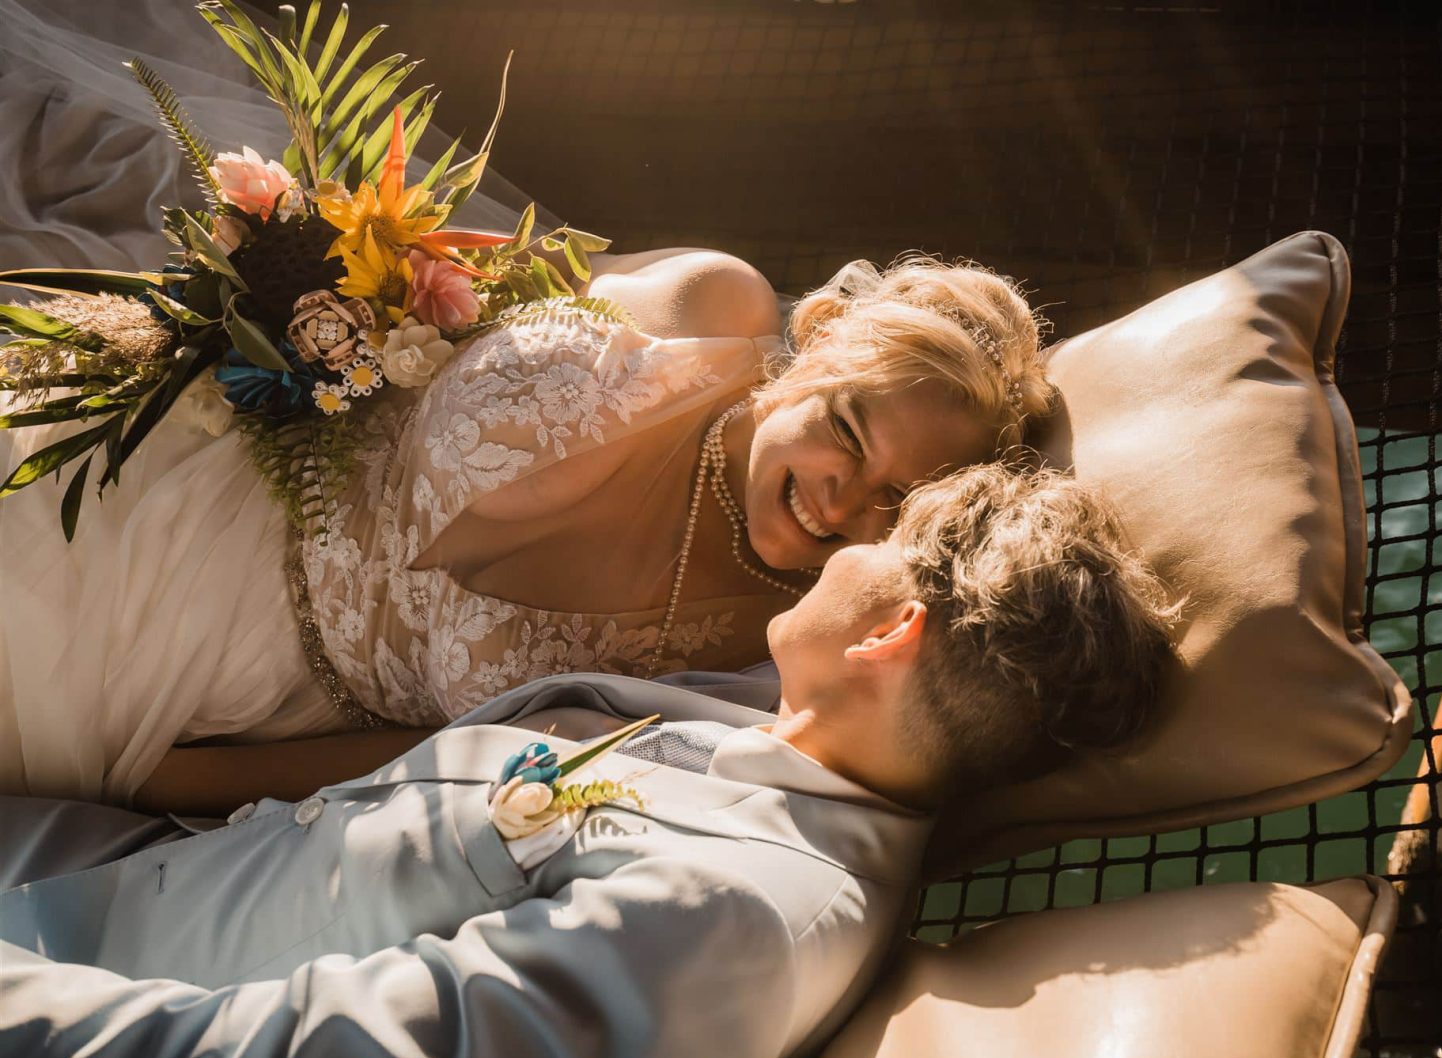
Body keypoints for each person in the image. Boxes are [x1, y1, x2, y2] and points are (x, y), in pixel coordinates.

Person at [0, 463, 1179, 1058]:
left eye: (887, 540)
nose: (849, 542)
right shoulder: (760, 718)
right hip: (90, 866)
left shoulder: (745, 918)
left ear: (890, 633)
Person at [1, 248, 1056, 806]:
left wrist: (176, 783)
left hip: (211, 693)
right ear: (813, 360)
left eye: (890, 501)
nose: (841, 501)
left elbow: (435, 758)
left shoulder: (765, 645)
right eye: (847, 432)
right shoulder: (708, 313)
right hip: (172, 456)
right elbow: (450, 282)